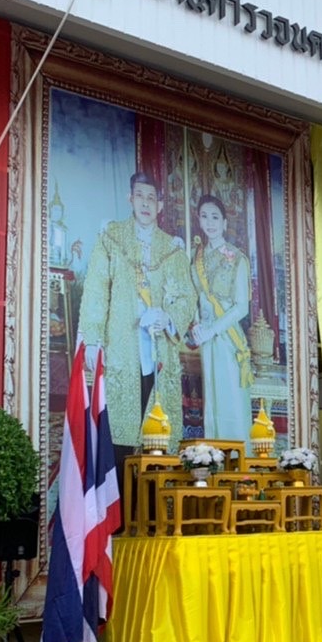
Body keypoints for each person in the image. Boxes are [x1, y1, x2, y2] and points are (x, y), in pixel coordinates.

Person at [80, 172, 196, 453]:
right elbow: (96, 289)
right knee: (119, 431)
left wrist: (167, 317)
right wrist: (92, 340)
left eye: (151, 198)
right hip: (121, 346)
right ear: (130, 199)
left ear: (160, 206)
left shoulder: (172, 248)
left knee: (156, 435)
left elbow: (186, 296)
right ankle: (118, 480)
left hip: (158, 349)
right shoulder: (111, 237)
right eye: (140, 196)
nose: (145, 203)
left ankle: (152, 481)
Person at [189, 194, 253, 442]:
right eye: (205, 216)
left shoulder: (237, 258)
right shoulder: (196, 258)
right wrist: (196, 323)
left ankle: (237, 461)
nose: (210, 222)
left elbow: (241, 307)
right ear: (199, 220)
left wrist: (212, 329)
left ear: (225, 223)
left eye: (215, 217)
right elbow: (193, 296)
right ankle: (212, 457)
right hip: (205, 339)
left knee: (231, 402)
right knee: (212, 402)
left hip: (228, 339)